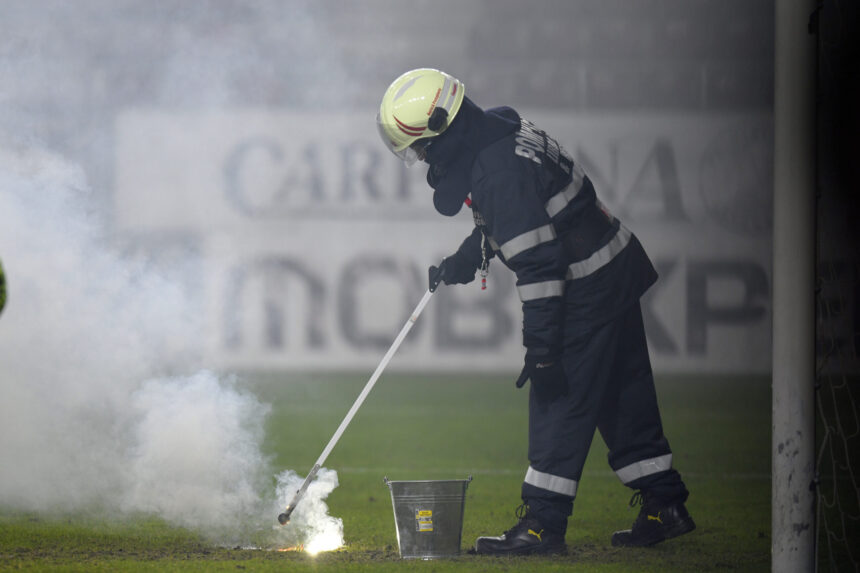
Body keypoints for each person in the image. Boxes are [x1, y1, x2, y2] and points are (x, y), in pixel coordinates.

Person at [376, 69, 695, 556]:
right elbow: (523, 216)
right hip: (615, 267)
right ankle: (664, 504)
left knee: (557, 400)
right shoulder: (499, 127)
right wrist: (467, 258)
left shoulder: (497, 172)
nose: (421, 158)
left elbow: (540, 266)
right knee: (621, 394)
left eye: (420, 147)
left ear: (441, 129)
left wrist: (543, 351)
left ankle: (543, 525)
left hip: (586, 285)